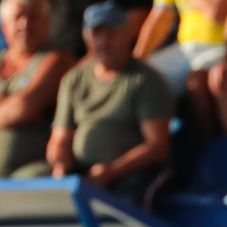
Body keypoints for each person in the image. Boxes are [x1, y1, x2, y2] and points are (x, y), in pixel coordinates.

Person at [45, 1, 173, 208]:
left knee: (126, 206)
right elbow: (59, 139)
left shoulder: (146, 80)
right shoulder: (73, 79)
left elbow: (157, 147)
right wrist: (61, 165)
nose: (104, 42)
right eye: (97, 34)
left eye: (111, 34)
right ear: (87, 39)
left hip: (133, 172)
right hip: (84, 171)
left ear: (126, 35)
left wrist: (112, 170)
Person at [132, 0, 227, 137]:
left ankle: (224, 148)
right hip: (185, 50)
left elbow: (217, 12)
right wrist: (133, 62)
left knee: (201, 80)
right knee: (138, 79)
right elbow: (160, 17)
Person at [0, 0, 72, 178]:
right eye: (18, 17)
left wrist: (15, 106)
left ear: (47, 23)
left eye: (33, 16)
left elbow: (23, 108)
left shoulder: (56, 60)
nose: (25, 24)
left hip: (30, 170)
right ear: (5, 26)